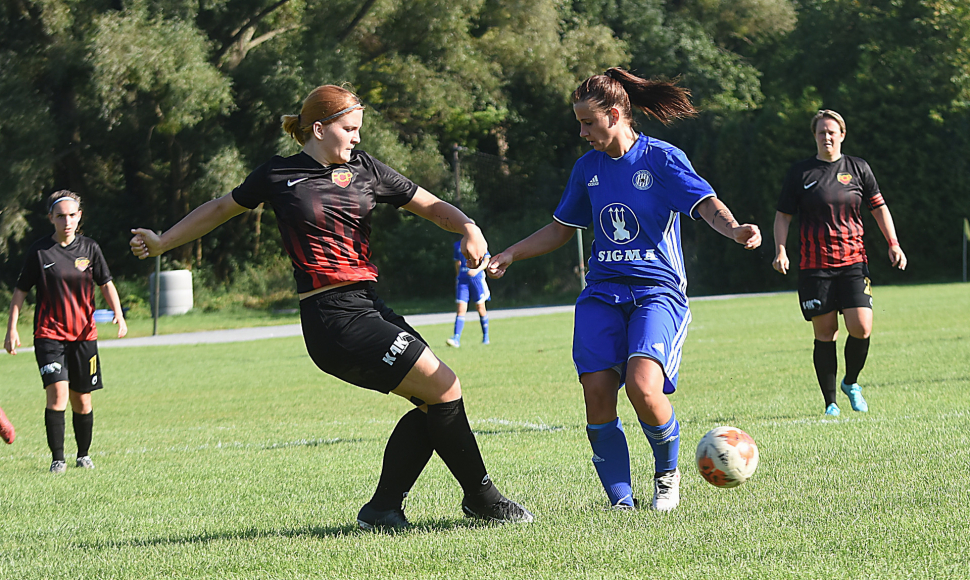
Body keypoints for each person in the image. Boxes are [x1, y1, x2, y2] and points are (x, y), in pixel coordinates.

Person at [129, 85, 533, 530]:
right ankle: (482, 498)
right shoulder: (279, 174)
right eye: (349, 128)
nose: (357, 138)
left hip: (367, 305)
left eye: (359, 129)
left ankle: (384, 510)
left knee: (437, 398)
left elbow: (431, 205)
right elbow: (221, 208)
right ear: (318, 129)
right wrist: (164, 241)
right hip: (331, 317)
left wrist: (468, 226)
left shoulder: (366, 170)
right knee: (444, 387)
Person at [487, 68, 761, 511]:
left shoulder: (663, 159)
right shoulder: (587, 168)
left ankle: (666, 477)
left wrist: (735, 229)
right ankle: (620, 502)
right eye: (579, 123)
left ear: (614, 115)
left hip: (658, 292)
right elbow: (560, 229)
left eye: (588, 122)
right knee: (596, 391)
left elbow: (705, 204)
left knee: (641, 386)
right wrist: (511, 254)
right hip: (602, 294)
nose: (582, 132)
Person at [772, 109, 906, 417]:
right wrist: (781, 250)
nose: (827, 136)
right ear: (815, 135)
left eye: (832, 131)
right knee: (826, 331)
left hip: (853, 262)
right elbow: (783, 215)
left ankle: (851, 382)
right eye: (821, 132)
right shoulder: (801, 173)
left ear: (842, 134)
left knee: (861, 326)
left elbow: (879, 208)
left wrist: (893, 243)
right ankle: (830, 402)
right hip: (814, 266)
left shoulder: (858, 169)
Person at [5, 190, 128, 472]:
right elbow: (20, 292)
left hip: (84, 336)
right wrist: (11, 329)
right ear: (51, 218)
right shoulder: (40, 251)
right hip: (49, 335)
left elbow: (105, 283)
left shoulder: (90, 249)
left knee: (82, 399)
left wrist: (118, 315)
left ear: (79, 216)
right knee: (57, 394)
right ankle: (57, 459)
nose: (67, 221)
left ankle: (83, 454)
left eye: (72, 215)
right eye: (60, 216)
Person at [446, 239, 491, 347]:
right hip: (463, 281)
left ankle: (486, 336)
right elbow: (457, 262)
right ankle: (456, 338)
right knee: (461, 309)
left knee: (480, 308)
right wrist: (458, 277)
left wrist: (477, 270)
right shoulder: (457, 245)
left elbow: (486, 260)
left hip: (476, 280)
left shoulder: (479, 242)